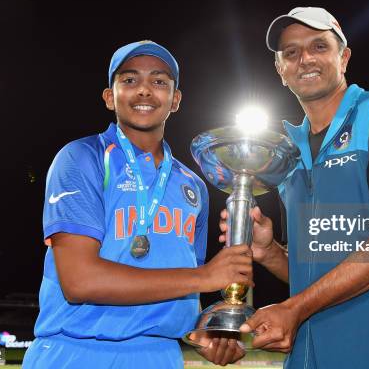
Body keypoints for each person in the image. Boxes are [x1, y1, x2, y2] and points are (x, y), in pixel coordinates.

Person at [220, 7, 369, 368]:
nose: (304, 59)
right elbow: (317, 271)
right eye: (290, 53)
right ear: (280, 71)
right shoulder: (289, 154)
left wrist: (293, 308)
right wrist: (271, 253)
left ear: (344, 57)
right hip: (310, 357)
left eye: (319, 47)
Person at [22, 40, 249, 368]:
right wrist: (205, 276)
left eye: (159, 81)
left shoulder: (194, 186)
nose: (144, 90)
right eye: (129, 80)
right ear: (109, 97)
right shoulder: (82, 158)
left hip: (161, 356)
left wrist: (201, 331)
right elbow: (79, 281)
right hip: (77, 352)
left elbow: (180, 285)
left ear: (176, 100)